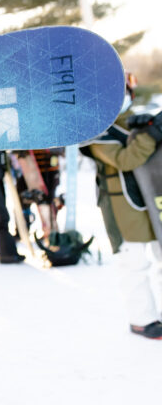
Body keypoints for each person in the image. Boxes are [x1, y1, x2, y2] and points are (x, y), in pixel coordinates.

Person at [81, 74, 162, 339]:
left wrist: (153, 126)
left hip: (153, 202)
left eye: (125, 91)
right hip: (122, 208)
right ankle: (142, 319)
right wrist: (151, 135)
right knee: (133, 263)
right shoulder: (96, 134)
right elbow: (128, 159)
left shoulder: (138, 122)